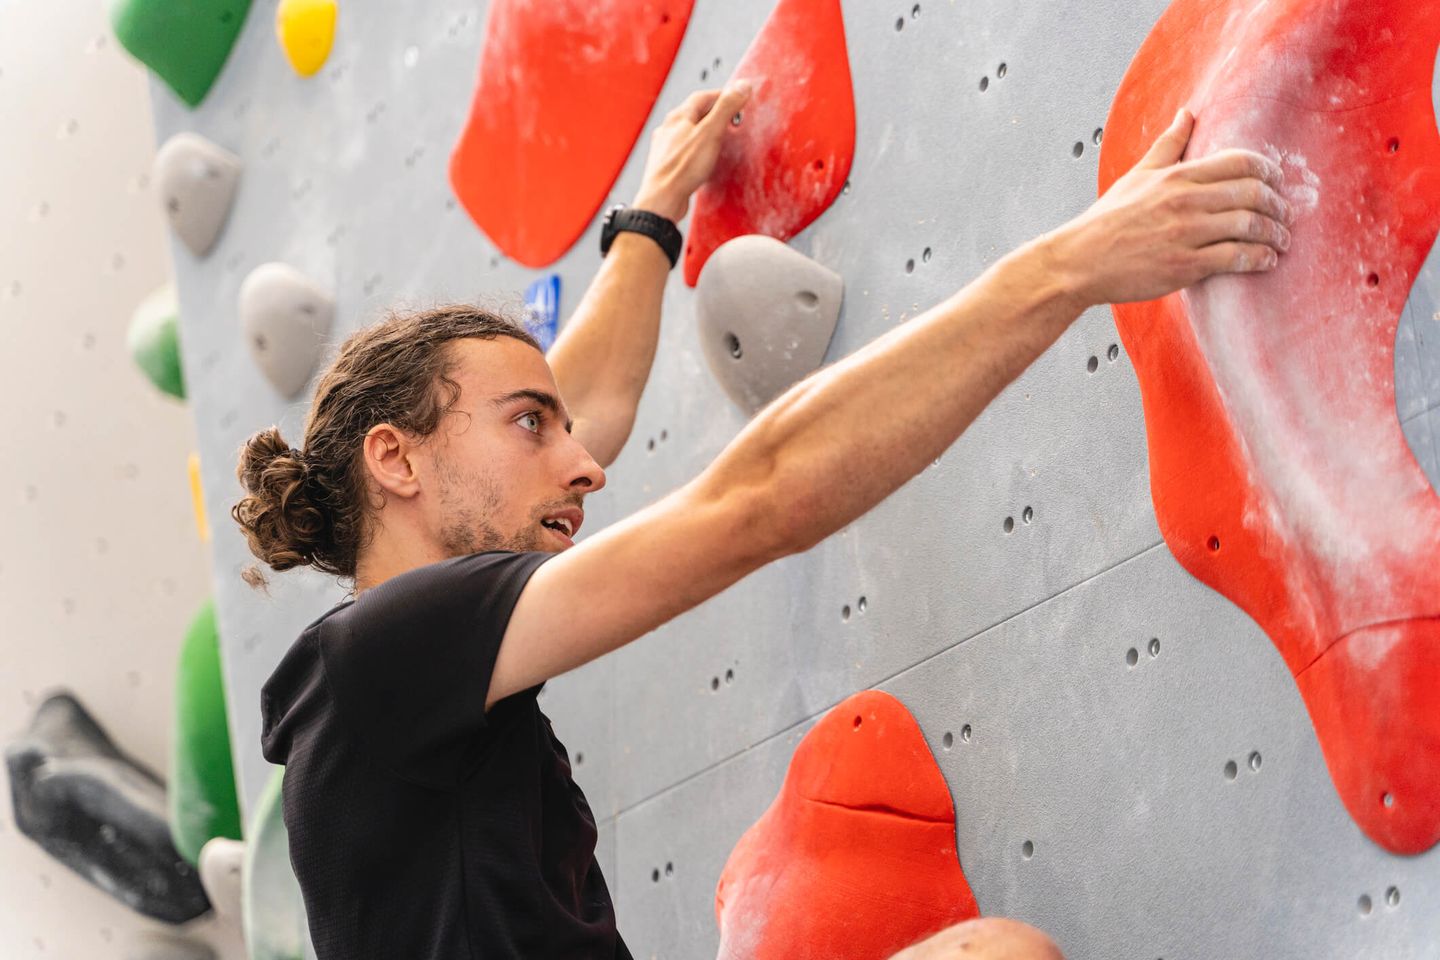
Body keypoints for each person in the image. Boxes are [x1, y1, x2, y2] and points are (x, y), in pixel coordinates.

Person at [236, 80, 1291, 959]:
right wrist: (1072, 267)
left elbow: (587, 401)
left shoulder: (390, 680)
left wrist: (650, 219)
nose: (586, 468)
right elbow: (760, 500)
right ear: (395, 459)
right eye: (527, 423)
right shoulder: (385, 650)